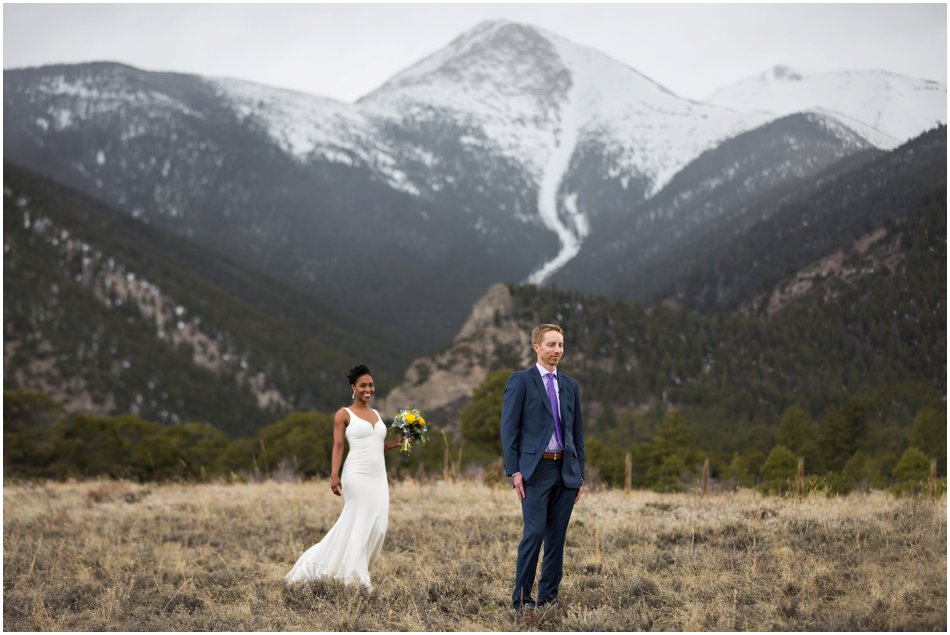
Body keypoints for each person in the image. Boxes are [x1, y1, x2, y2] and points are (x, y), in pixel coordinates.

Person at [285, 364, 405, 589]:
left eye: (370, 385)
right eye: (362, 385)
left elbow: (375, 445)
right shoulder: (344, 414)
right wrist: (334, 475)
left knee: (378, 526)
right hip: (356, 476)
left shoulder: (377, 414)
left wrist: (394, 444)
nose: (367, 389)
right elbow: (338, 446)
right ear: (353, 387)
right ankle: (354, 579)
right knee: (359, 522)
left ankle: (337, 568)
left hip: (379, 477)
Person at [501, 323, 585, 612]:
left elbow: (577, 434)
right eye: (551, 345)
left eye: (560, 345)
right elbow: (509, 429)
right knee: (534, 533)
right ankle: (522, 600)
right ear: (536, 347)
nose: (557, 350)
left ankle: (548, 599)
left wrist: (580, 475)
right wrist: (515, 471)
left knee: (556, 539)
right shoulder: (521, 381)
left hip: (566, 471)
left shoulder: (570, 385)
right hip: (535, 471)